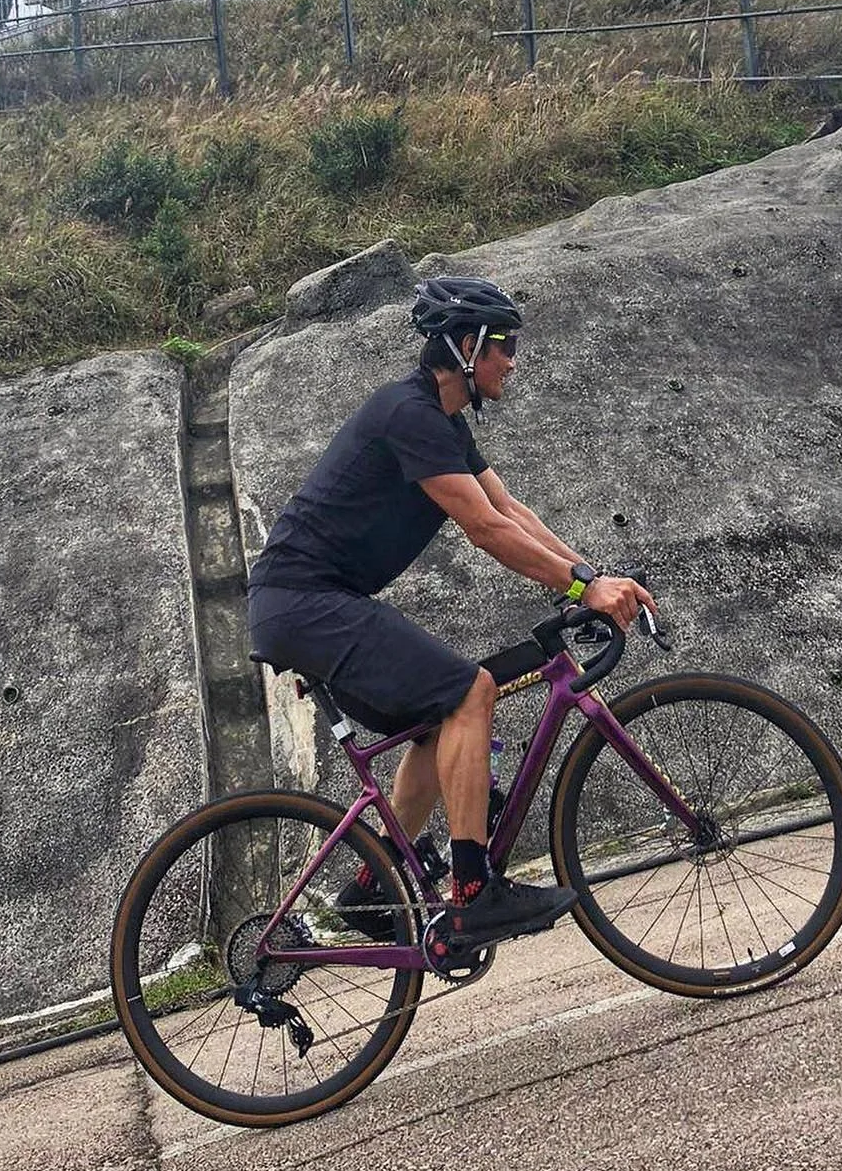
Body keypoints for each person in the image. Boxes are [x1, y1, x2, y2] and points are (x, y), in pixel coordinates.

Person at [247, 274, 655, 954]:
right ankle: (472, 894)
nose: (513, 361)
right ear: (467, 347)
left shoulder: (443, 423)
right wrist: (583, 591)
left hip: (314, 603)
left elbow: (509, 511)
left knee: (440, 724)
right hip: (303, 600)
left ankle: (371, 890)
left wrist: (590, 576)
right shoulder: (408, 414)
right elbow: (484, 531)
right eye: (505, 345)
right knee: (471, 691)